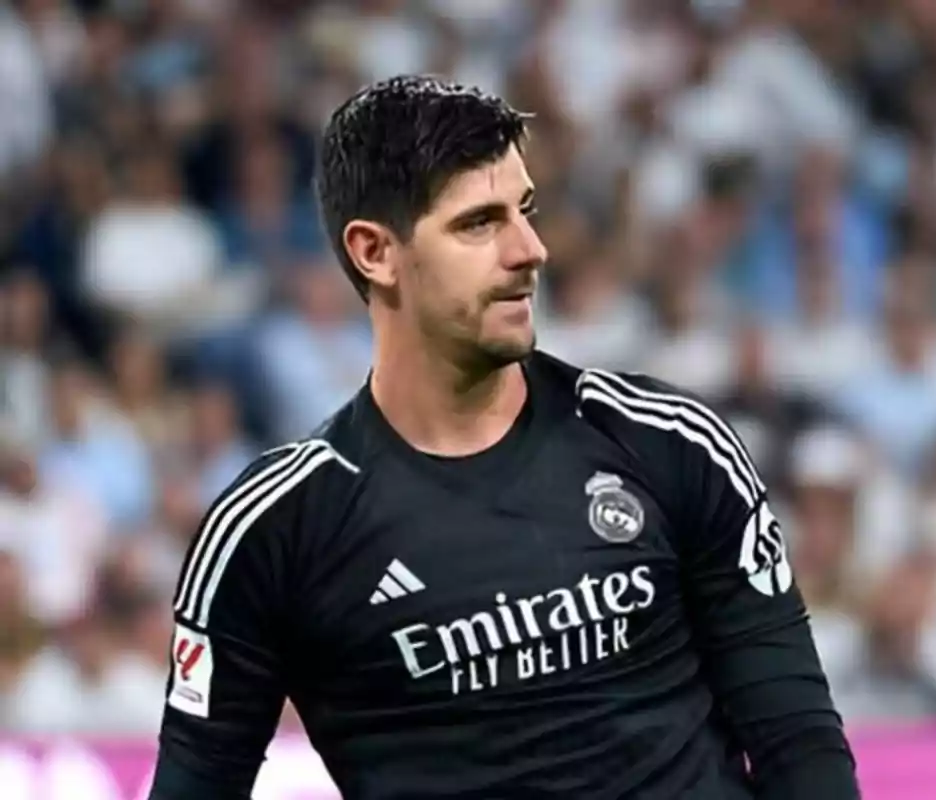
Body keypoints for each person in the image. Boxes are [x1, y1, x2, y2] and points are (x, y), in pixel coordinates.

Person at [148, 75, 859, 800]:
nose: (531, 250)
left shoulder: (669, 442)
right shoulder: (274, 529)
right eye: (480, 223)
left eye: (525, 210)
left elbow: (800, 745)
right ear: (375, 252)